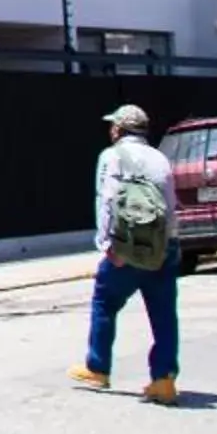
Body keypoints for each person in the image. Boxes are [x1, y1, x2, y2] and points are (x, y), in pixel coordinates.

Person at [73, 104, 181, 403]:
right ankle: (164, 380)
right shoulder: (160, 158)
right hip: (162, 246)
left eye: (113, 126)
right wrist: (170, 243)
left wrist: (107, 246)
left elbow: (106, 200)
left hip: (126, 247)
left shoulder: (111, 157)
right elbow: (171, 204)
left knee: (104, 303)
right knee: (164, 314)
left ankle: (98, 368)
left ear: (119, 130)